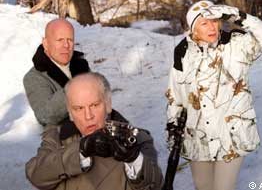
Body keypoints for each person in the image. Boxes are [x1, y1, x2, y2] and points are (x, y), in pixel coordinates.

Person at [166, 0, 262, 190]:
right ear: (193, 29)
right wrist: (173, 125)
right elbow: (176, 94)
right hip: (197, 136)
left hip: (231, 134)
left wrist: (236, 15)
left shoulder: (237, 43)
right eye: (204, 23)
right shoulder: (182, 52)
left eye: (214, 21)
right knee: (203, 187)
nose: (212, 27)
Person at [25, 72, 163, 190]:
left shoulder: (137, 138)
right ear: (70, 113)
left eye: (95, 105)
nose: (88, 116)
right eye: (79, 108)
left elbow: (155, 185)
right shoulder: (57, 137)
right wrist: (80, 151)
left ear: (108, 105)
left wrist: (134, 160)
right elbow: (36, 175)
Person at [23, 18, 90, 126]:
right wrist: (75, 88)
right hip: (62, 137)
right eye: (60, 40)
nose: (66, 45)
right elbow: (44, 115)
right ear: (45, 43)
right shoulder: (34, 77)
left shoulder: (81, 65)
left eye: (70, 40)